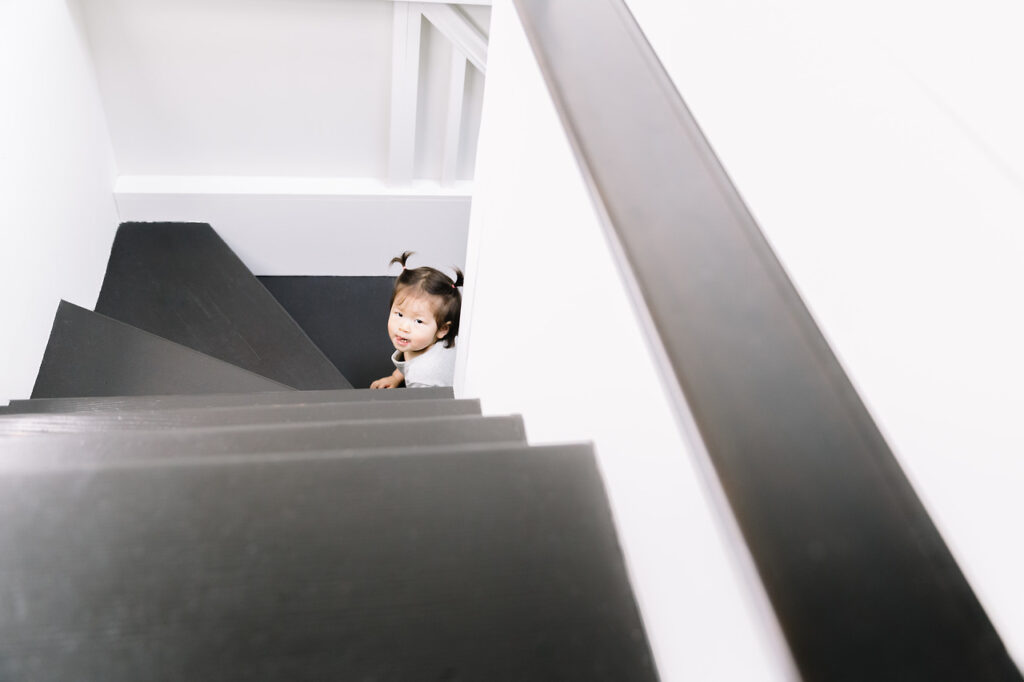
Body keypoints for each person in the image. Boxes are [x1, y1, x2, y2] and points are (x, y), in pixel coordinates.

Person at [370, 251, 462, 389]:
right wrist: (395, 377)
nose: (403, 327)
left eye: (418, 321)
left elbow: (425, 408)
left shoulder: (422, 378)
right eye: (400, 314)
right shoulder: (419, 343)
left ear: (442, 329)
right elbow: (410, 358)